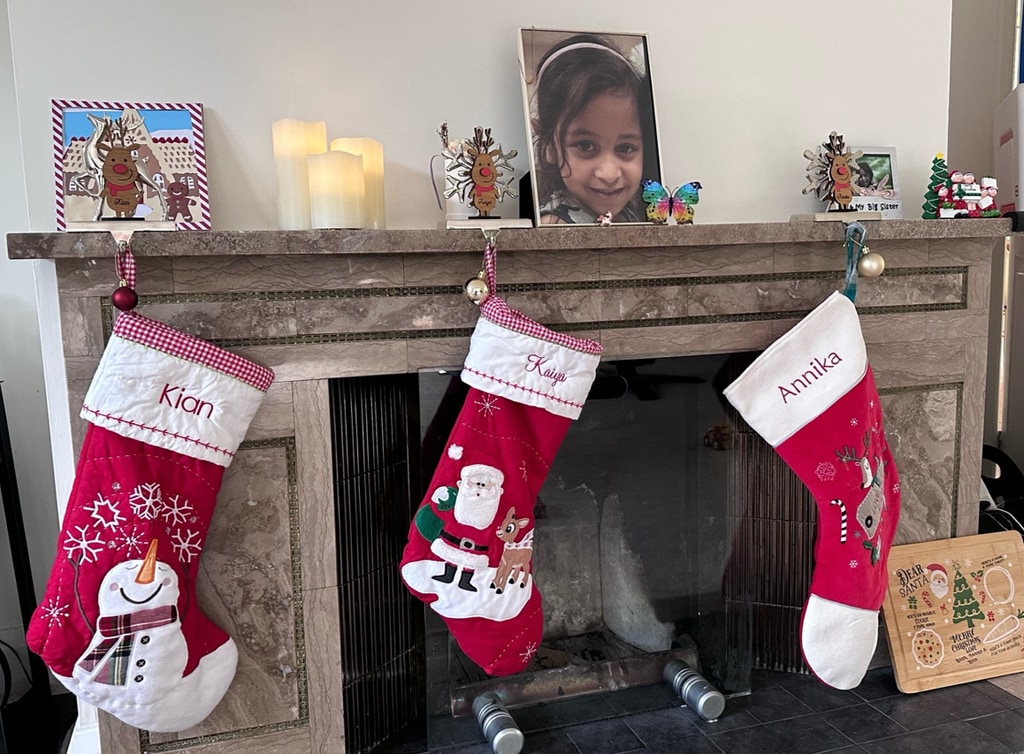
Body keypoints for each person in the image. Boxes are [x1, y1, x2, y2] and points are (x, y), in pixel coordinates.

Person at [530, 33, 659, 224]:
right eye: (585, 145)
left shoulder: (635, 214)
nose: (608, 173)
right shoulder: (554, 227)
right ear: (549, 143)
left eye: (625, 148)